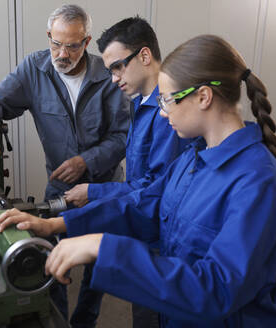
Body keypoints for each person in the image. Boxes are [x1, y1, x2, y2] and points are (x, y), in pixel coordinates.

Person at [0, 34, 276, 327]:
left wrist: (105, 248)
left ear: (204, 96)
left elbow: (216, 290)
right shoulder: (193, 158)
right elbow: (143, 205)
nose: (162, 114)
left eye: (167, 101)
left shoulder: (258, 183)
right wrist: (58, 224)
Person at [0, 4, 130, 327]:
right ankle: (59, 317)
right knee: (49, 261)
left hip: (103, 188)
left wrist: (85, 161)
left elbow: (123, 136)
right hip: (60, 188)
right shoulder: (34, 69)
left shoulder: (107, 76)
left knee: (99, 266)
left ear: (86, 42)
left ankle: (84, 320)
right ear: (48, 36)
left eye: (72, 45)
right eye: (55, 43)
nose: (62, 53)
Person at [64, 17, 189, 328]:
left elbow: (152, 190)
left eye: (118, 67)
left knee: (151, 317)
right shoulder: (140, 102)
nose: (114, 79)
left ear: (144, 56)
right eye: (110, 71)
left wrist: (92, 193)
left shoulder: (167, 114)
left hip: (160, 243)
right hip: (143, 234)